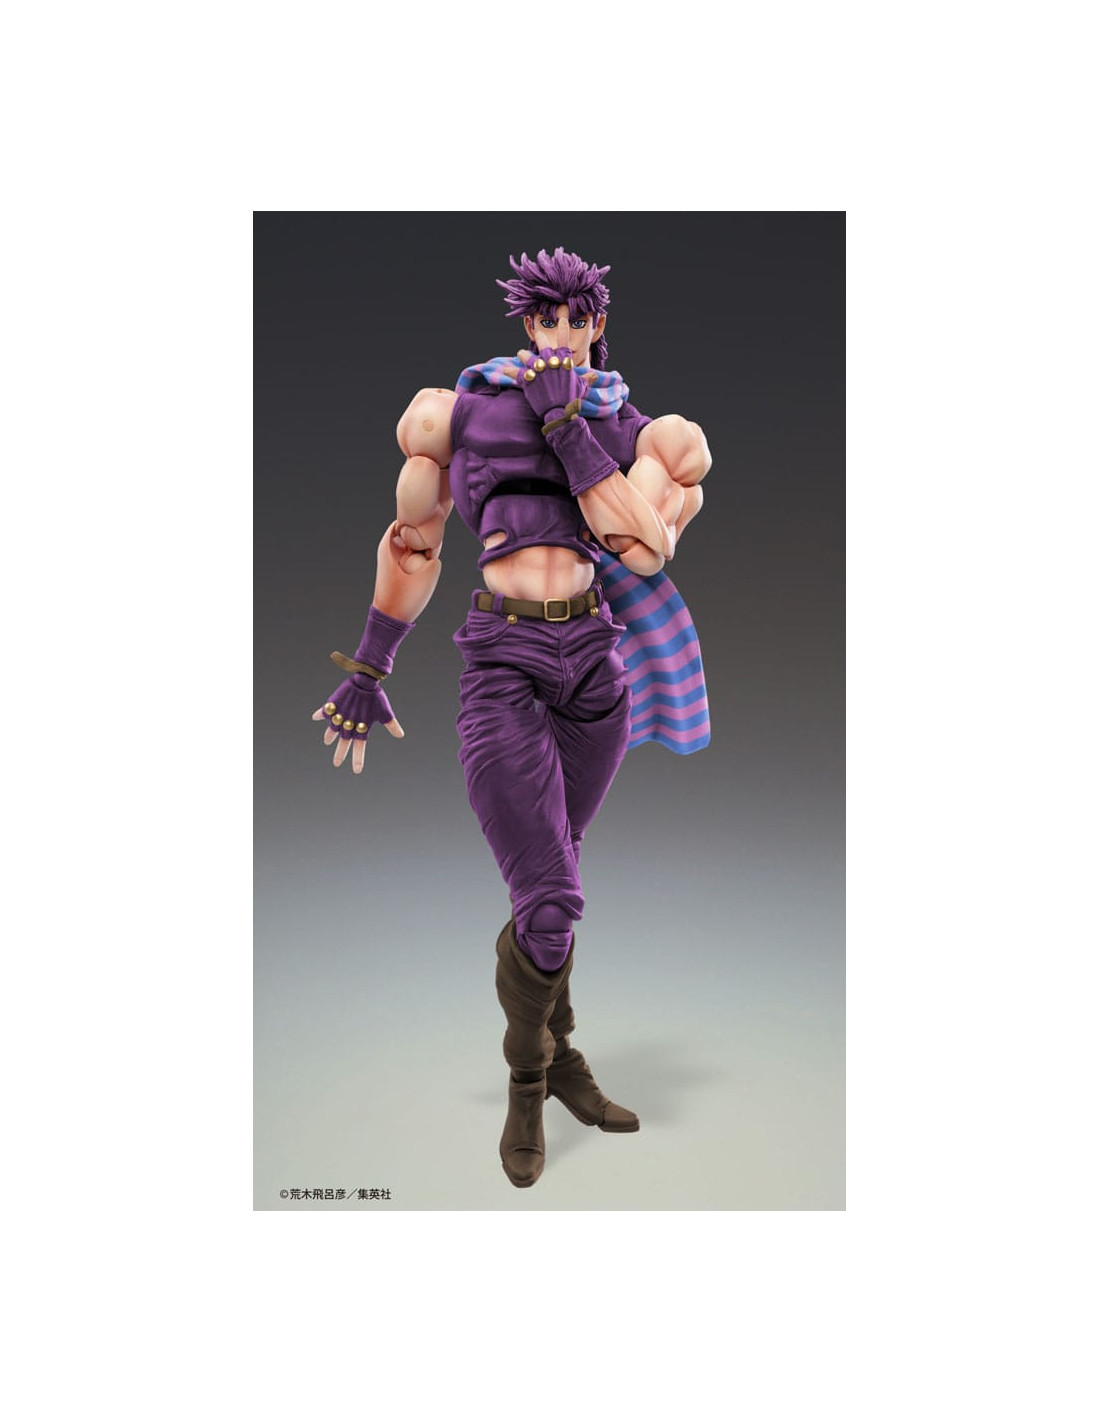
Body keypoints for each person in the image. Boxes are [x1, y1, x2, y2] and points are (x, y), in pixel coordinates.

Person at [313, 247, 712, 1188]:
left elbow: (642, 547)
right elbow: (413, 541)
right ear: (527, 326)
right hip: (503, 661)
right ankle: (531, 1082)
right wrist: (370, 664)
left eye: (578, 319)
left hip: (595, 669)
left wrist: (573, 428)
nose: (561, 334)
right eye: (546, 319)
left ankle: (560, 1057)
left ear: (597, 327)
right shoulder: (458, 415)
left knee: (553, 881)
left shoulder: (643, 431)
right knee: (553, 897)